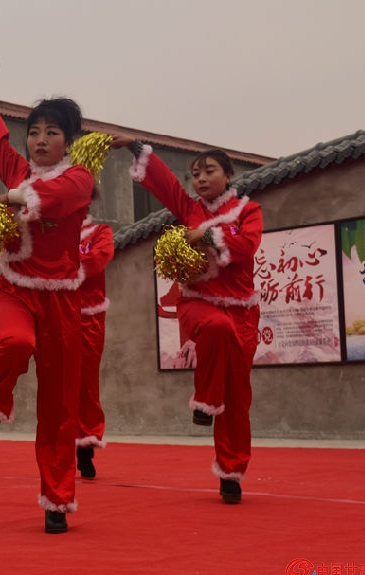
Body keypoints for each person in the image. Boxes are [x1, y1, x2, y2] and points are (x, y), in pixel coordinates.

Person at [0, 82, 93, 533]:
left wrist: (6, 198)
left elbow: (48, 200)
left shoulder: (79, 179)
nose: (40, 140)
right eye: (34, 132)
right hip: (14, 289)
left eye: (52, 132)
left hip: (62, 301)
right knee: (15, 342)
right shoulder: (17, 167)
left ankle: (57, 500)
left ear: (68, 141)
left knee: (60, 406)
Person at [108, 134, 263, 504]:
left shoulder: (248, 211)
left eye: (209, 171)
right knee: (216, 328)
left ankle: (231, 472)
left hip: (242, 310)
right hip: (198, 303)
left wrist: (205, 236)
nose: (201, 179)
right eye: (196, 174)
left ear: (228, 175)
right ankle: (204, 401)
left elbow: (246, 246)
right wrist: (135, 148)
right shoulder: (189, 208)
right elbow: (165, 183)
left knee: (237, 397)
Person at [75, 214, 115, 479]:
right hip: (55, 313)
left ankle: (86, 444)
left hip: (89, 316)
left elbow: (97, 260)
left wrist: (61, 264)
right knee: (57, 384)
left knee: (87, 383)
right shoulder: (48, 230)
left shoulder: (100, 232)